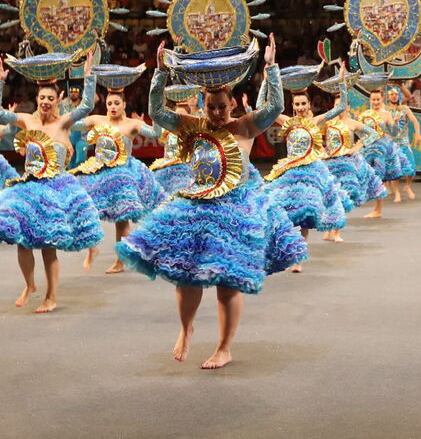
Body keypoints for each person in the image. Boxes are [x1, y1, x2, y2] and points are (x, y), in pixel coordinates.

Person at [117, 34, 306, 369]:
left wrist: (272, 68)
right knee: (185, 275)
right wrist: (160, 72)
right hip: (196, 208)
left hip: (235, 211)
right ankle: (186, 328)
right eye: (211, 107)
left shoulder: (244, 127)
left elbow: (275, 108)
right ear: (203, 106)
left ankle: (224, 347)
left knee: (227, 284)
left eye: (222, 107)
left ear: (232, 104)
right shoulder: (192, 127)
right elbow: (156, 112)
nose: (217, 113)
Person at [0, 52, 104, 313]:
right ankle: (30, 285)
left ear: (59, 100)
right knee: (22, 241)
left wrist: (88, 77)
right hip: (28, 188)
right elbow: (1, 116)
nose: (45, 102)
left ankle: (51, 296)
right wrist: (1, 82)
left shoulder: (64, 123)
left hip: (55, 189)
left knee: (48, 248)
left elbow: (86, 106)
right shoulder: (28, 120)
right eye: (41, 98)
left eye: (50, 98)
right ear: (36, 99)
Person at [71, 83, 166, 274]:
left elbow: (157, 134)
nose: (112, 107)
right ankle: (92, 248)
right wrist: (85, 91)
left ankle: (120, 260)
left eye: (116, 103)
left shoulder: (132, 124)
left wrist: (155, 112)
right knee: (81, 207)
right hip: (99, 173)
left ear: (124, 104)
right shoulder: (97, 120)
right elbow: (72, 123)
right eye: (109, 104)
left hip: (122, 176)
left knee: (122, 220)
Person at [264, 70, 350, 261]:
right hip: (290, 172)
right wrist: (266, 81)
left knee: (305, 213)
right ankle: (287, 247)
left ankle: (299, 255)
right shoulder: (287, 121)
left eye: (304, 103)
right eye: (297, 104)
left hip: (311, 172)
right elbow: (264, 107)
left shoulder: (315, 121)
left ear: (309, 105)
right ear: (292, 106)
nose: (301, 107)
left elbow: (341, 106)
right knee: (279, 210)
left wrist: (342, 82)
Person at [317, 75, 386, 241]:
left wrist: (357, 147)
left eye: (341, 105)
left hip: (346, 164)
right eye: (336, 106)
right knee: (329, 196)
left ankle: (337, 231)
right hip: (329, 163)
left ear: (347, 107)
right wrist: (322, 150)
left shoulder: (352, 123)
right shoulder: (328, 123)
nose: (339, 109)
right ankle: (329, 227)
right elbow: (315, 137)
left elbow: (373, 134)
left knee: (343, 196)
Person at [356, 88, 405, 217]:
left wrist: (395, 122)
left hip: (381, 149)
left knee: (379, 178)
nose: (376, 102)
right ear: (370, 100)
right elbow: (360, 132)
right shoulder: (365, 114)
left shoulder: (386, 114)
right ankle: (374, 206)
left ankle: (378, 209)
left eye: (378, 99)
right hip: (367, 148)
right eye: (373, 99)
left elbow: (394, 133)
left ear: (382, 99)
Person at [385, 85, 421, 201]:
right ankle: (397, 193)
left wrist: (417, 134)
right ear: (387, 96)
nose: (394, 96)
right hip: (391, 143)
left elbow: (415, 121)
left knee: (411, 167)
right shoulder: (385, 110)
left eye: (396, 94)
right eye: (391, 94)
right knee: (394, 169)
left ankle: (408, 186)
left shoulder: (404, 109)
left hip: (404, 142)